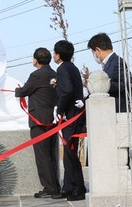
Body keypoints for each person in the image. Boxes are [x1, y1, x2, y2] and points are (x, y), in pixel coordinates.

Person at [14, 48, 61, 199]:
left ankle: (49, 188)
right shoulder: (55, 74)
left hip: (39, 121)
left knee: (42, 156)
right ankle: (55, 186)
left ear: (36, 60)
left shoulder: (36, 75)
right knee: (51, 155)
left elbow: (23, 91)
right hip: (53, 120)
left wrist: (16, 90)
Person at [52, 40, 86, 201]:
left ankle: (79, 189)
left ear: (58, 55)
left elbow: (67, 90)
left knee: (70, 153)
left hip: (71, 118)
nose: (53, 55)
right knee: (67, 154)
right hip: (74, 115)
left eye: (54, 52)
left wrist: (58, 109)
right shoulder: (72, 67)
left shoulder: (62, 68)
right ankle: (68, 187)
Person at [87, 32, 132, 113]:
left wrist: (106, 84)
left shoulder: (116, 62)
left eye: (93, 52)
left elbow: (130, 85)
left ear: (98, 50)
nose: (94, 55)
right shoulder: (108, 64)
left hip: (120, 112)